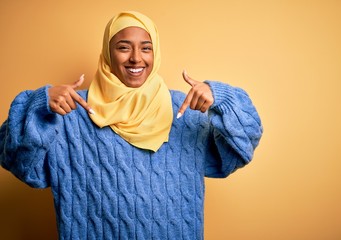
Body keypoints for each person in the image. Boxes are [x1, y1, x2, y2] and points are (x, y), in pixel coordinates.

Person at [0, 11, 263, 240]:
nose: (136, 58)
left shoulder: (185, 109)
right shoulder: (71, 110)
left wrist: (222, 99)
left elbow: (239, 151)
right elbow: (19, 163)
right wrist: (39, 104)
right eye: (124, 47)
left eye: (146, 48)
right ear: (107, 52)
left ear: (155, 52)